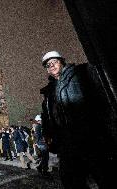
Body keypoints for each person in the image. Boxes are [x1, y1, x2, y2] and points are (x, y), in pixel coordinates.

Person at [40, 51, 115, 188]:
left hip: (90, 138)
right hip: (66, 142)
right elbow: (47, 115)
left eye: (54, 62)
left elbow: (103, 101)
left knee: (104, 176)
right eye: (48, 65)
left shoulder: (80, 74)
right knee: (70, 180)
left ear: (62, 62)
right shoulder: (50, 91)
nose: (51, 66)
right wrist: (48, 133)